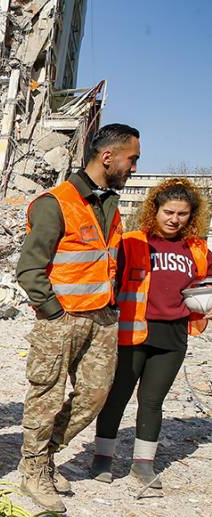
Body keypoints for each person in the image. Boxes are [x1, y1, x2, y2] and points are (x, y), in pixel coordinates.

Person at [15, 123, 141, 512]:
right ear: (108, 157)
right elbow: (29, 269)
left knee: (95, 395)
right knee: (46, 396)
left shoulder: (110, 204)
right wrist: (53, 312)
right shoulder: (55, 203)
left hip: (102, 317)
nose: (134, 167)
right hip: (63, 319)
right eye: (131, 159)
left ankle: (46, 455)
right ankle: (33, 470)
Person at [91, 179, 209, 488]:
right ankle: (103, 457)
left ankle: (143, 464)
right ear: (154, 210)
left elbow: (206, 283)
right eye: (168, 212)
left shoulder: (197, 249)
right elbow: (111, 280)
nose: (174, 219)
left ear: (192, 215)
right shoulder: (133, 242)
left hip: (173, 336)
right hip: (133, 332)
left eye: (183, 214)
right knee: (117, 396)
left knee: (152, 401)